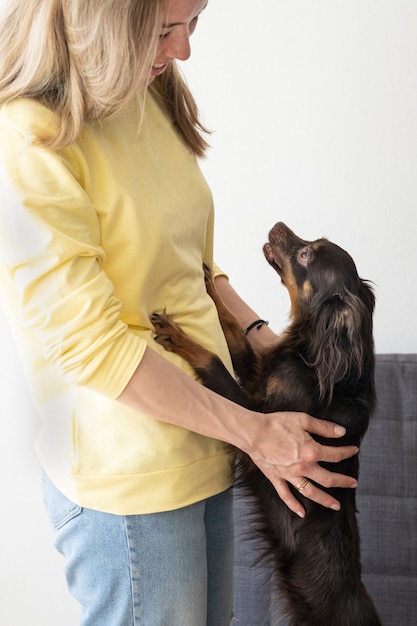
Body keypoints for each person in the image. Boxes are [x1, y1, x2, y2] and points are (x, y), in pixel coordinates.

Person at [0, 1, 359, 625]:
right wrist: (258, 433)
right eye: (164, 30)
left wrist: (264, 340)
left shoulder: (145, 87)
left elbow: (193, 266)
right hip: (132, 484)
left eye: (194, 23)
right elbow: (95, 350)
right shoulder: (29, 139)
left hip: (212, 444)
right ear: (101, 21)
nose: (183, 52)